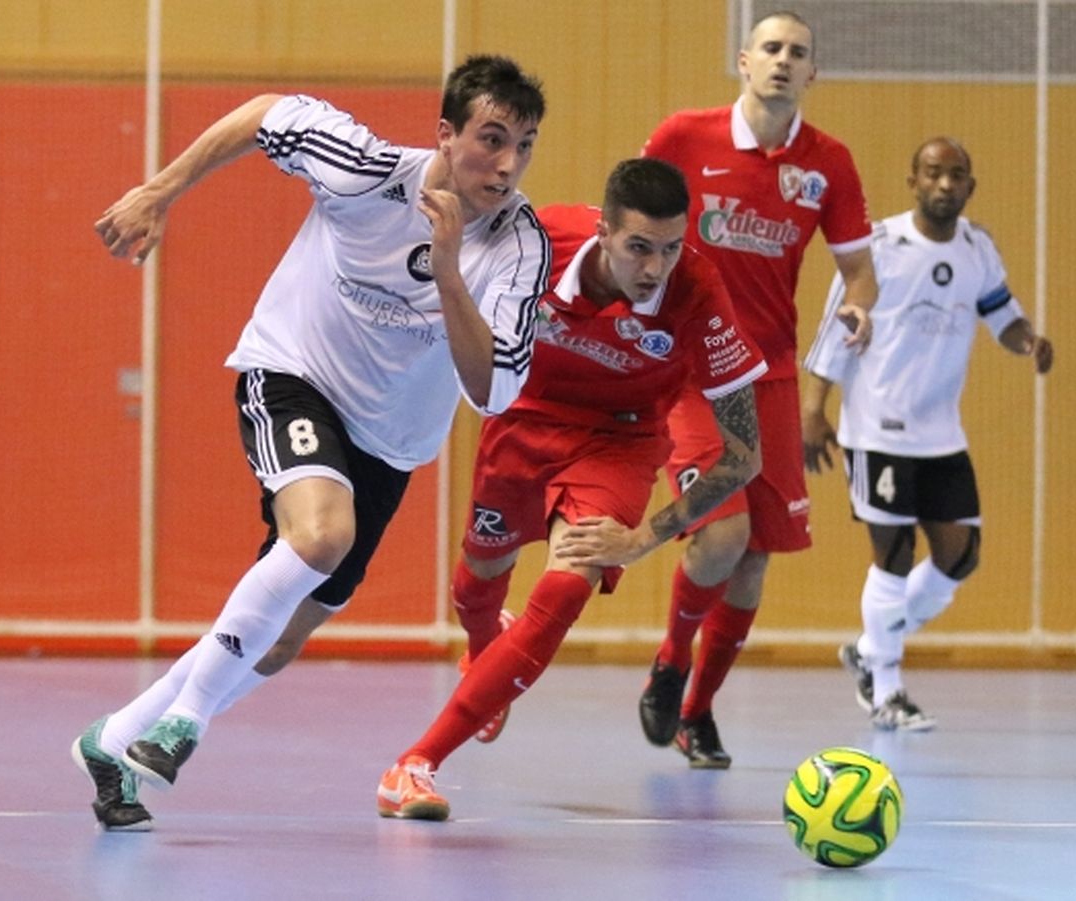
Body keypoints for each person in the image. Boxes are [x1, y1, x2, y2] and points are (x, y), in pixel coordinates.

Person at [70, 55, 549, 831]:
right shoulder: (363, 168)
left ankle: (113, 738)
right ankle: (183, 723)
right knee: (323, 535)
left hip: (390, 445)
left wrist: (454, 271)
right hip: (294, 375)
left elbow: (492, 391)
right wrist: (159, 191)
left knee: (280, 635)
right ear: (445, 134)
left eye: (523, 146)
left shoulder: (518, 243)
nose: (506, 163)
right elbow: (264, 112)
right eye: (491, 139)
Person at [375, 158, 767, 820]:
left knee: (564, 586)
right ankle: (484, 647)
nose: (654, 267)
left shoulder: (696, 290)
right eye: (639, 247)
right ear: (605, 229)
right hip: (524, 417)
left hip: (620, 440)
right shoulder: (541, 236)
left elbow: (745, 455)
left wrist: (643, 538)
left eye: (670, 248)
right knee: (476, 584)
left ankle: (414, 762)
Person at [637, 10, 877, 767]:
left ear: (813, 74)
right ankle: (672, 660)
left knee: (753, 560)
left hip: (767, 374)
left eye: (797, 53)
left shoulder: (828, 163)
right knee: (724, 534)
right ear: (744, 62)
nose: (782, 61)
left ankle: (697, 711)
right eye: (770, 48)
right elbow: (631, 227)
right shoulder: (683, 138)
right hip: (688, 370)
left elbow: (858, 269)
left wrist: (861, 307)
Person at [801, 137, 1055, 731]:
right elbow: (833, 330)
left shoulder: (977, 248)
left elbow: (1002, 314)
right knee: (893, 556)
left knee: (959, 557)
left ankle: (867, 649)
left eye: (957, 175)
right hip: (878, 427)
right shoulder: (879, 248)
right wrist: (813, 410)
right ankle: (886, 687)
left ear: (971, 185)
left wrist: (1028, 341)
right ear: (913, 181)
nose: (945, 185)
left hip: (941, 434)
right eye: (934, 174)